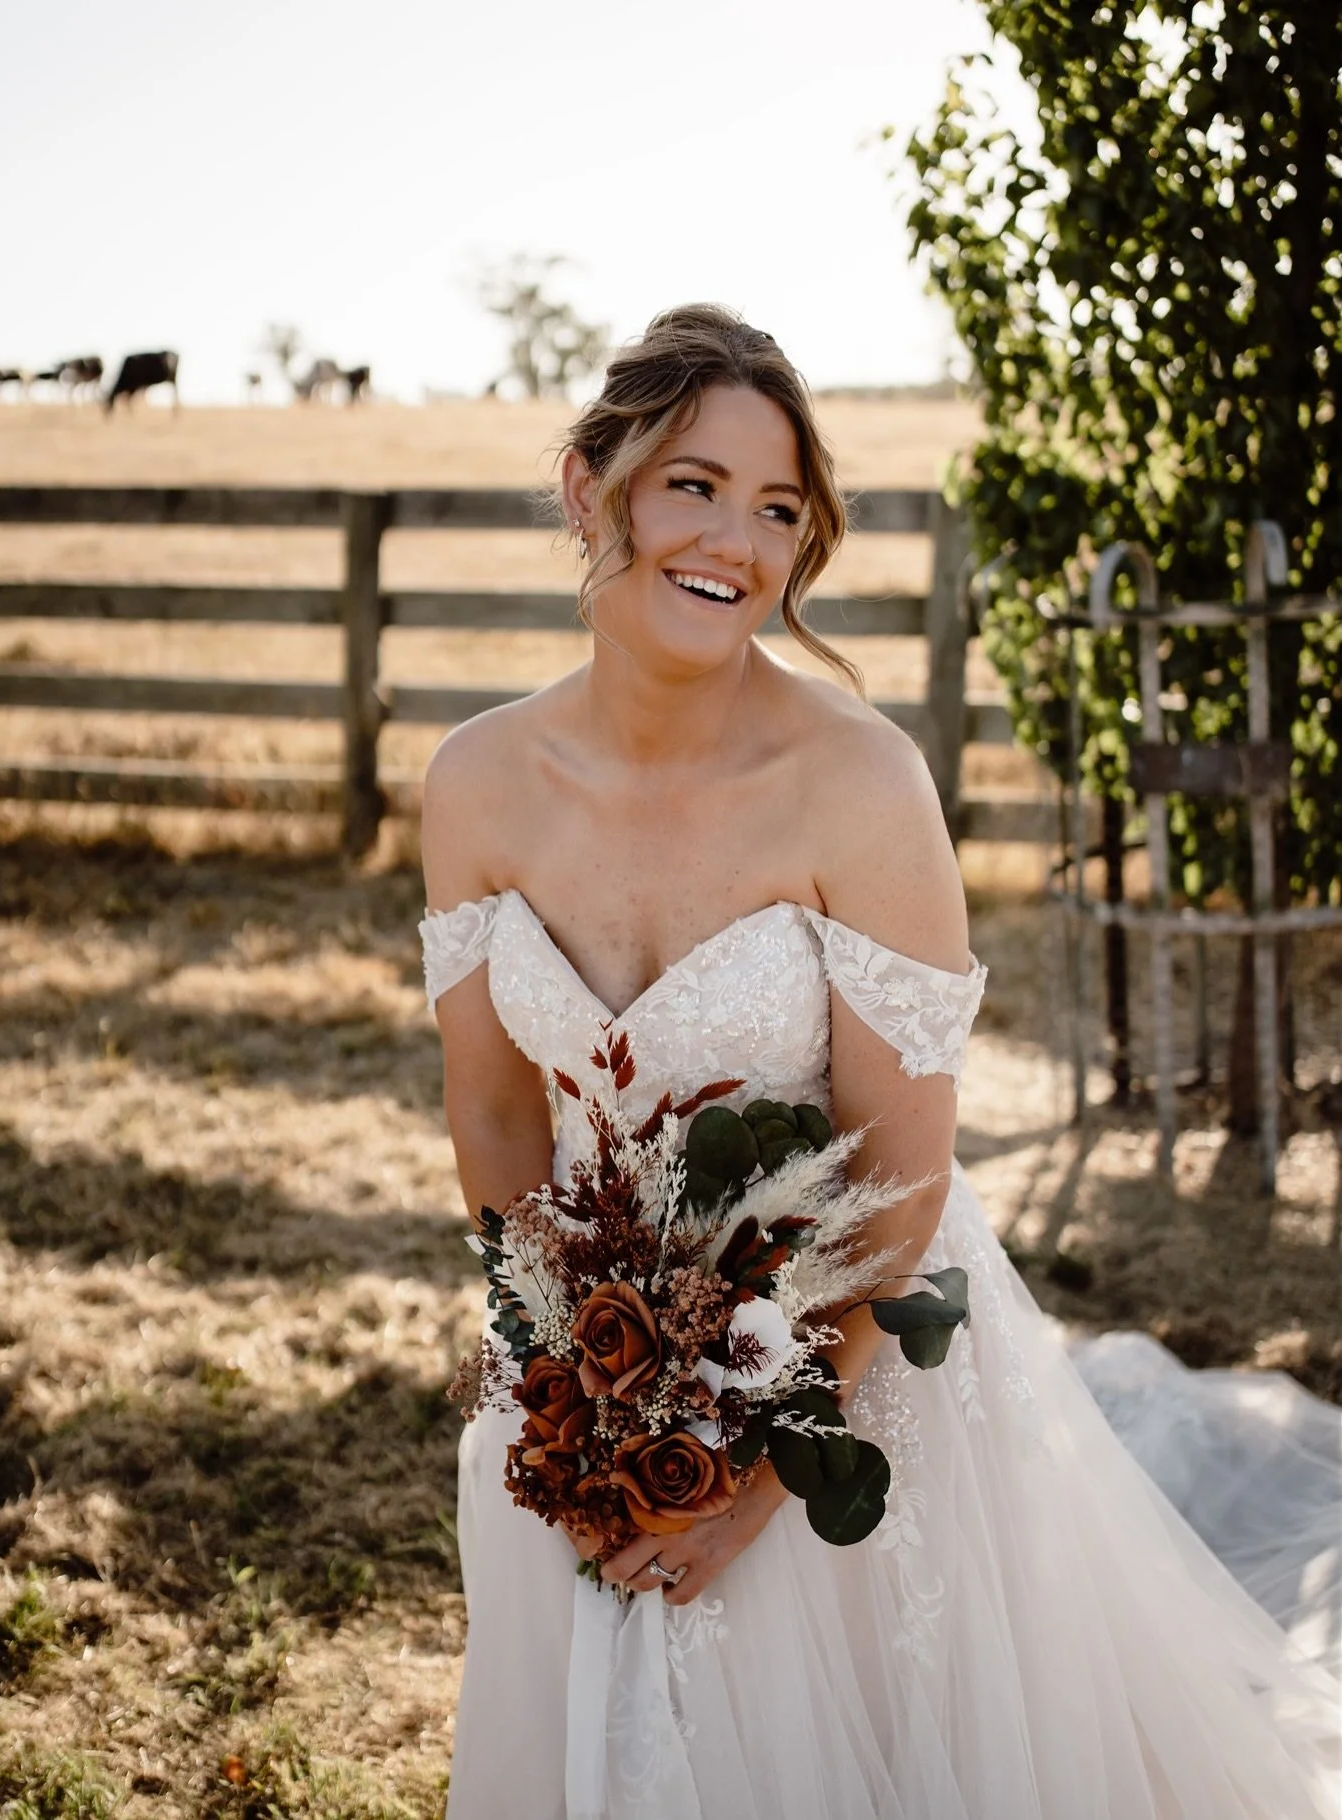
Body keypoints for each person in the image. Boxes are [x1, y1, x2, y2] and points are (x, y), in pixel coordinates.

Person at [419, 305, 1339, 1820]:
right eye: (692, 483)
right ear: (591, 487)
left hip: (850, 1364)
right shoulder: (474, 783)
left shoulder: (860, 784)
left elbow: (904, 1182)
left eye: (779, 509)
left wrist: (762, 1474)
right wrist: (563, 1378)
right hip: (590, 1354)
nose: (741, 542)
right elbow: (497, 1110)